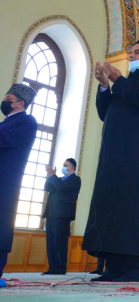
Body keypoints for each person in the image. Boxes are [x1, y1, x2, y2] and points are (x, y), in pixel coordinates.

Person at [83, 34, 139, 283]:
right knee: (112, 208)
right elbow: (106, 112)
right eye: (131, 52)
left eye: (136, 52)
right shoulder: (126, 83)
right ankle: (113, 267)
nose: (131, 56)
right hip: (113, 156)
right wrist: (104, 85)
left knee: (133, 210)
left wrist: (117, 79)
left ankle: (135, 268)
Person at [0, 84, 37, 287]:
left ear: (20, 103)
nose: (4, 102)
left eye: (8, 98)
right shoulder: (5, 123)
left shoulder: (27, 121)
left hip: (6, 180)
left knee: (0, 223)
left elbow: (7, 141)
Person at [42, 158, 81, 275]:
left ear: (72, 167)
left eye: (65, 165)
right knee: (51, 242)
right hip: (51, 214)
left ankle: (60, 268)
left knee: (60, 242)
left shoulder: (75, 180)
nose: (63, 167)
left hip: (62, 215)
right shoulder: (58, 179)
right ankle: (52, 267)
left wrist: (53, 175)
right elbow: (47, 188)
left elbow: (63, 189)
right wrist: (50, 175)